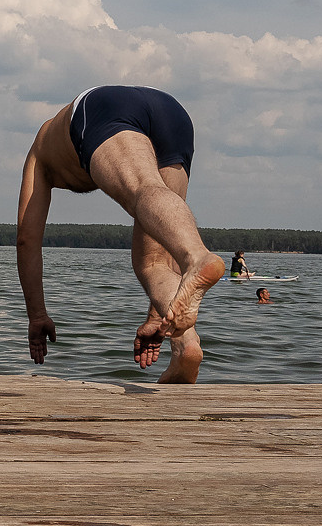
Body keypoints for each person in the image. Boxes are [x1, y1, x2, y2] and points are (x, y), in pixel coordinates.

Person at [16, 85, 226, 381]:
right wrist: (157, 317)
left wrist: (37, 315)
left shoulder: (41, 147)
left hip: (101, 106)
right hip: (173, 111)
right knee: (152, 263)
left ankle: (197, 257)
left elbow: (27, 238)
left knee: (143, 191)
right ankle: (186, 347)